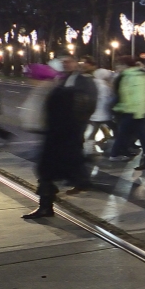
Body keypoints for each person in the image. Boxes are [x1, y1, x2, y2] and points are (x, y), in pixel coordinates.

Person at [25, 58, 96, 219]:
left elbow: (64, 116)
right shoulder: (54, 88)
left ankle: (46, 205)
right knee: (47, 172)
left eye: (31, 77)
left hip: (56, 137)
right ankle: (47, 203)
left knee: (46, 172)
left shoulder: (55, 91)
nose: (29, 80)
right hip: (52, 136)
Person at [110, 57, 145, 171]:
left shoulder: (127, 76)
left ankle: (115, 154)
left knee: (123, 133)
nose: (117, 69)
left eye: (119, 66)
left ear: (125, 66)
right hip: (140, 111)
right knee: (142, 137)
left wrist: (118, 107)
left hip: (131, 111)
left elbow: (124, 94)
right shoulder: (144, 75)